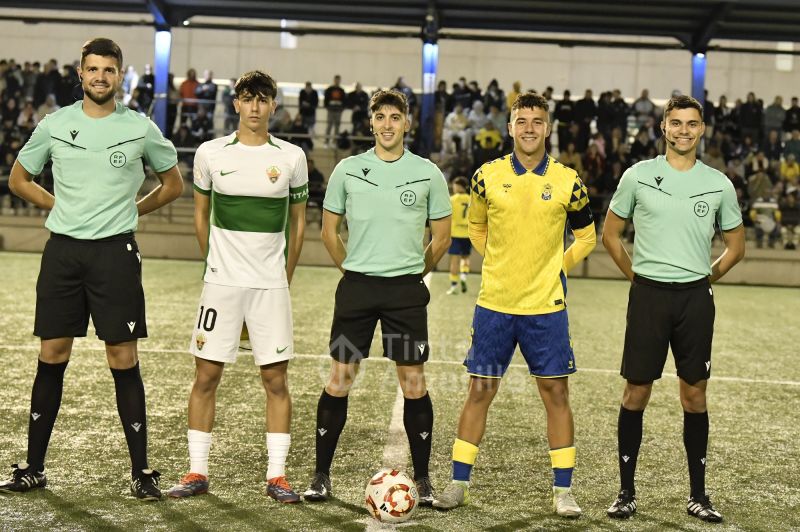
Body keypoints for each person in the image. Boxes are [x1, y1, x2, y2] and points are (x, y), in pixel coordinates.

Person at [0, 38, 183, 500]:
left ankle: (141, 472)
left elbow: (173, 183)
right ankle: (34, 468)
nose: (100, 76)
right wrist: (56, 204)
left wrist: (134, 211)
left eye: (109, 70)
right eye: (92, 69)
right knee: (52, 355)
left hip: (114, 256)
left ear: (120, 76)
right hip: (63, 253)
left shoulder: (140, 128)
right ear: (79, 74)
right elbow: (19, 179)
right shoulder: (55, 124)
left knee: (122, 358)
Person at [433, 92, 596, 518]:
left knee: (556, 393)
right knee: (480, 391)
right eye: (521, 121)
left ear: (547, 128)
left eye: (537, 121)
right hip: (496, 305)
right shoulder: (486, 176)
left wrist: (553, 268)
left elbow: (588, 237)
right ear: (509, 127)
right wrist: (502, 265)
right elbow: (477, 229)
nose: (529, 128)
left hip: (546, 307)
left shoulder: (568, 180)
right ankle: (457, 484)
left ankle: (563, 492)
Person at [302, 89, 451, 506]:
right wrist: (351, 270)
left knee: (414, 384)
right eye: (380, 116)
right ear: (371, 122)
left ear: (407, 123)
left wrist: (412, 273)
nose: (387, 124)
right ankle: (320, 475)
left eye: (395, 117)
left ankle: (422, 479)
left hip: (404, 293)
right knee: (339, 380)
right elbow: (328, 232)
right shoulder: (349, 170)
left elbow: (442, 238)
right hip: (357, 291)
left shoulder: (427, 173)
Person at [601, 95, 745, 522]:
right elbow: (610, 234)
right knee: (636, 392)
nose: (684, 130)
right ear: (663, 127)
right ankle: (626, 492)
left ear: (702, 130)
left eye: (692, 124)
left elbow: (736, 248)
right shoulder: (638, 176)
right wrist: (638, 277)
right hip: (648, 295)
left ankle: (698, 495)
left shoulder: (719, 183)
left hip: (694, 300)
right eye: (676, 123)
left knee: (694, 394)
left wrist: (703, 279)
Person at [166, 70, 308, 503]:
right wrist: (215, 264)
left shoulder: (291, 157)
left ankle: (277, 476)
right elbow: (200, 214)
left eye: (263, 100)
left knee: (276, 380)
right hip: (221, 285)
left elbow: (299, 223)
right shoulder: (210, 153)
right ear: (235, 103)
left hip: (269, 287)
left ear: (273, 106)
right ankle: (196, 471)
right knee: (206, 375)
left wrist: (283, 276)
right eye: (247, 99)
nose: (254, 107)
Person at [446, 176, 471, 295]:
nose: (453, 187)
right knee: (465, 258)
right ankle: (464, 277)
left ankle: (454, 285)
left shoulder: (452, 199)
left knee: (454, 261)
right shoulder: (472, 199)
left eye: (455, 185)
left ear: (459, 186)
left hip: (455, 233)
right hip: (467, 233)